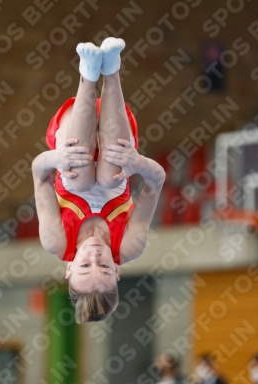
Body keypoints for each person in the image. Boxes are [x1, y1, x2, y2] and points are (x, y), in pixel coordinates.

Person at [32, 38, 165, 323]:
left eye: (85, 265)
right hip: (115, 131)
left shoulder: (55, 241)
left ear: (69, 268)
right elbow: (156, 182)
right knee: (108, 179)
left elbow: (38, 172)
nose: (94, 254)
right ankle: (112, 70)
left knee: (78, 182)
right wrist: (138, 163)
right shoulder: (129, 245)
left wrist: (54, 159)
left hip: (69, 130)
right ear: (117, 271)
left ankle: (88, 75)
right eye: (104, 266)